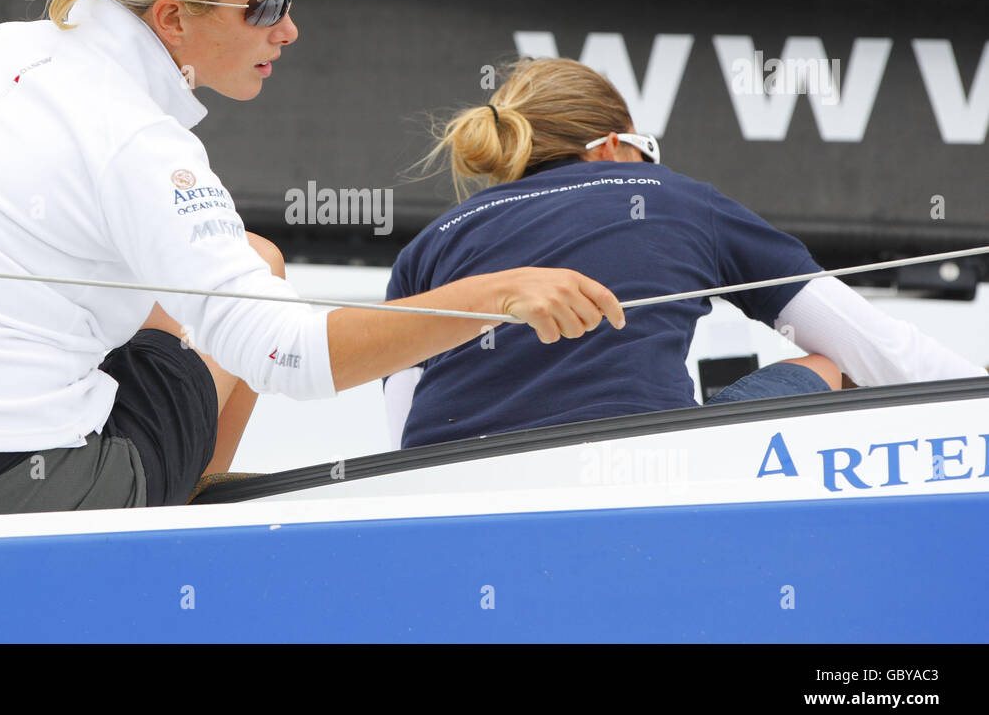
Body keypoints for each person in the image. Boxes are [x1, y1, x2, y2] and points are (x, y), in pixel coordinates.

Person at [0, 0, 626, 523]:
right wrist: (496, 295)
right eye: (265, 8)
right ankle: (182, 527)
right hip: (18, 497)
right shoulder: (140, 140)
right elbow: (285, 356)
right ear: (172, 18)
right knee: (257, 267)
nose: (290, 30)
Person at [383, 57, 985, 449]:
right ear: (614, 146)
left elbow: (401, 435)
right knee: (841, 367)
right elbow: (872, 344)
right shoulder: (673, 196)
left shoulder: (426, 247)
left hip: (452, 485)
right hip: (645, 469)